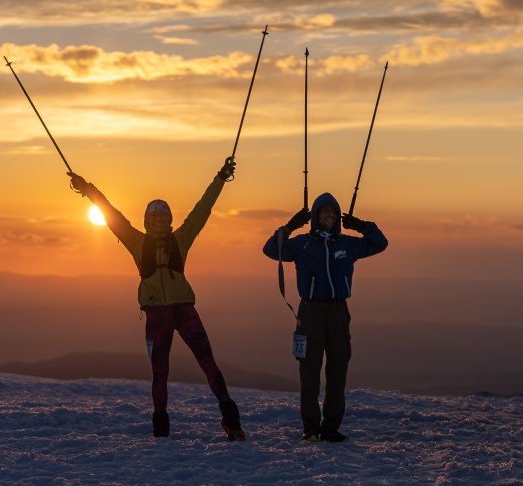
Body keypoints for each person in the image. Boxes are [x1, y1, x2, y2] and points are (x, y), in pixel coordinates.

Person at [68, 157, 244, 441]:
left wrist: (220, 178)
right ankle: (175, 428)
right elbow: (109, 212)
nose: (159, 220)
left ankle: (226, 420)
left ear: (168, 220)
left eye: (163, 217)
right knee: (162, 371)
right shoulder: (137, 241)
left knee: (205, 362)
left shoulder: (179, 238)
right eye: (154, 217)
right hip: (162, 315)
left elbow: (203, 208)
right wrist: (87, 189)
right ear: (148, 221)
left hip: (178, 312)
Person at [263, 193, 387, 442]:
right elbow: (270, 249)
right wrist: (290, 226)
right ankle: (311, 428)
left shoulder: (347, 244)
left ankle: (330, 428)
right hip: (310, 312)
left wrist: (362, 226)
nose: (330, 215)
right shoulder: (301, 244)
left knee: (338, 371)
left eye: (334, 211)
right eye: (325, 211)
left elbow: (380, 243)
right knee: (309, 372)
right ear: (316, 216)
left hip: (339, 311)